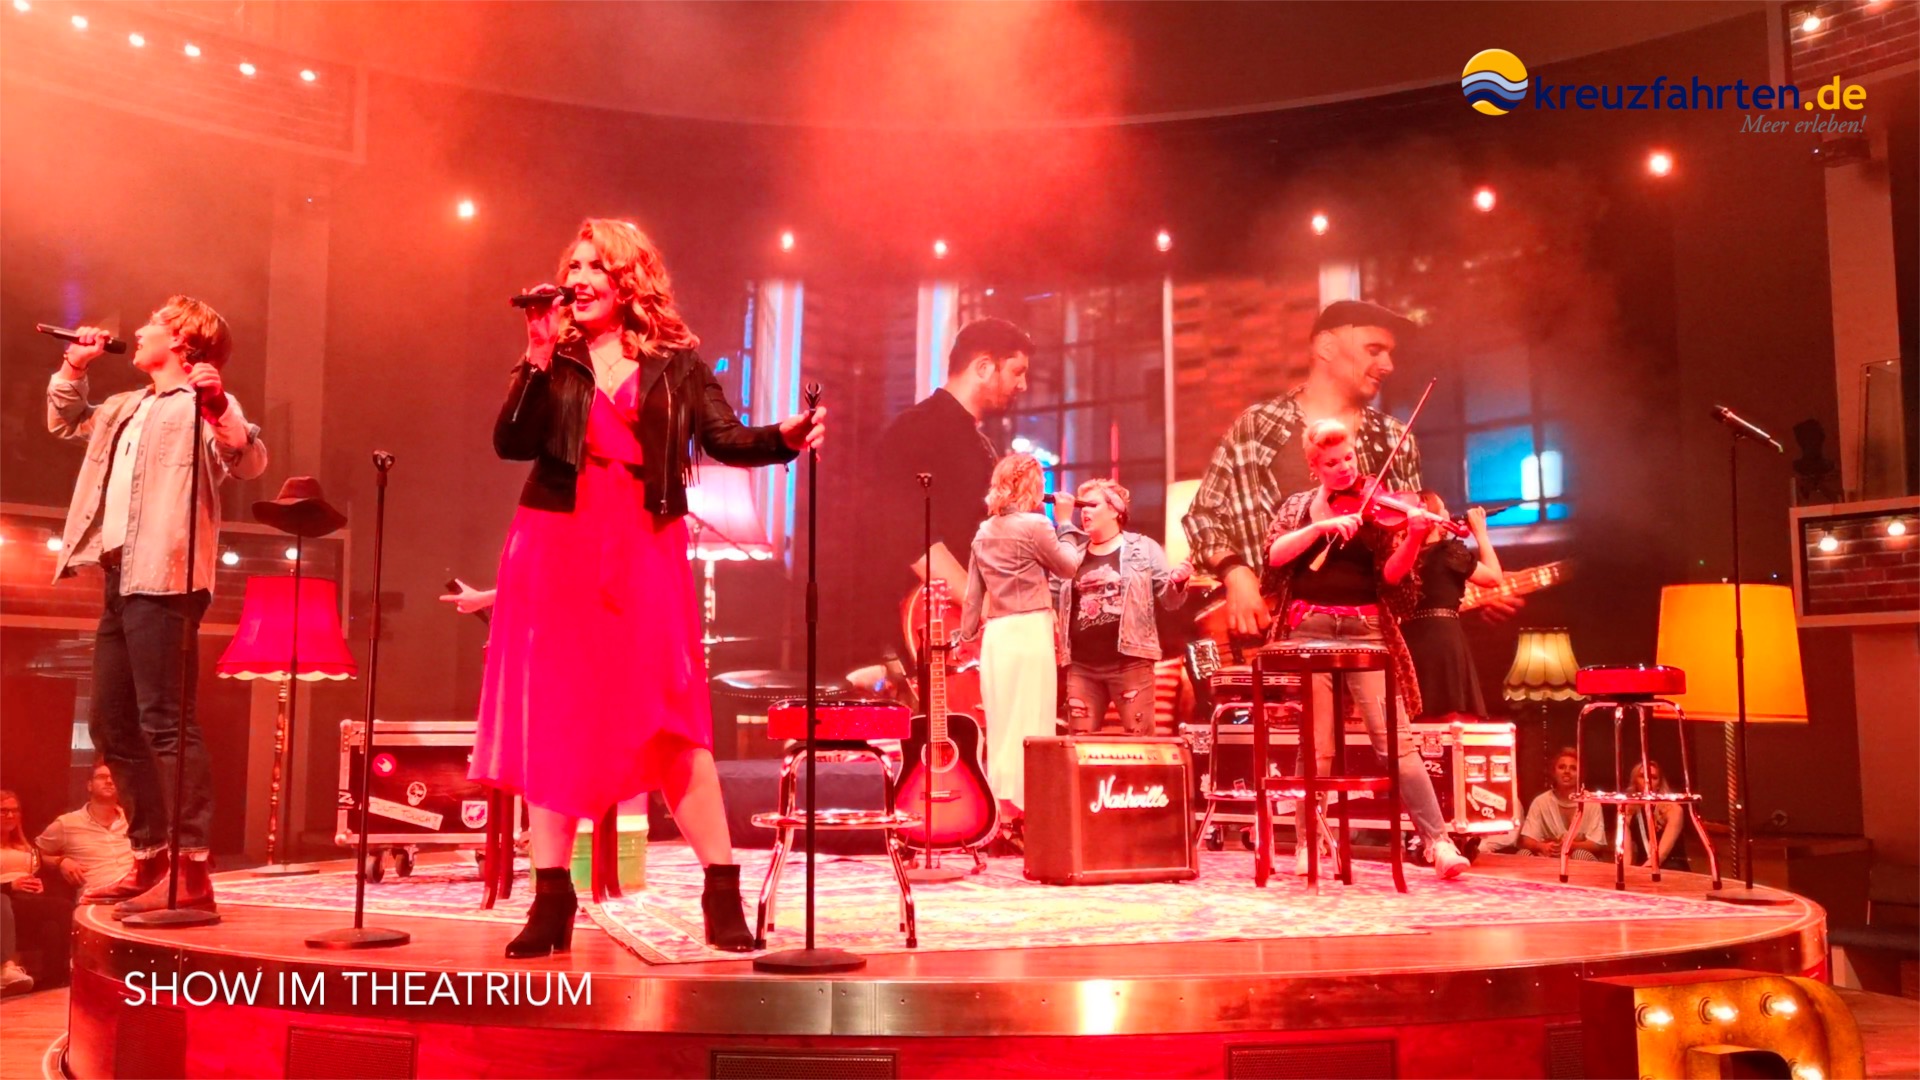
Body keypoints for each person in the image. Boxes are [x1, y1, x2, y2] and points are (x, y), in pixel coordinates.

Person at [473, 218, 823, 958]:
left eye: (594, 265)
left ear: (627, 277)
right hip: (555, 544)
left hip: (644, 543)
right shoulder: (558, 356)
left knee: (673, 716)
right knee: (556, 716)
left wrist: (784, 438)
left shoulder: (676, 360)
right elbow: (510, 442)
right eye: (572, 265)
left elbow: (725, 437)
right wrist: (536, 355)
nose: (578, 277)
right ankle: (551, 899)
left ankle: (721, 891)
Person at [47, 299, 268, 918]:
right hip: (119, 577)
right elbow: (66, 421)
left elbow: (249, 460)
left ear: (181, 340)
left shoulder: (201, 403)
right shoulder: (125, 407)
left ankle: (193, 870)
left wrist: (218, 406)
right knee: (111, 724)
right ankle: (149, 856)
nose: (138, 332)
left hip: (168, 578)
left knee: (166, 722)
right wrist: (75, 367)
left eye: (151, 325)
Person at [1262, 419, 1469, 879]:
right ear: (1314, 467)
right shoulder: (1298, 506)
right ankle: (1309, 843)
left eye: (1348, 458)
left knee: (1395, 741)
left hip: (1367, 631)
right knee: (1317, 745)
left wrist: (1413, 536)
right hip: (1309, 630)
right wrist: (1323, 526)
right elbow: (1274, 555)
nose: (1344, 468)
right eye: (1332, 463)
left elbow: (1393, 578)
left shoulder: (1379, 505)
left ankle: (1439, 844)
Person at [1185, 300, 1426, 643]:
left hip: (1368, 629)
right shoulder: (1259, 426)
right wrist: (1236, 572)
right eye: (1374, 350)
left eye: (1390, 354)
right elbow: (1204, 517)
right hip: (1277, 626)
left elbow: (1413, 551)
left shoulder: (1395, 437)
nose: (1388, 365)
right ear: (1326, 346)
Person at [869, 318, 1033, 656]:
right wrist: (985, 607)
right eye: (1017, 372)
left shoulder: (980, 443)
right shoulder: (915, 429)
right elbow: (910, 537)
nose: (1023, 385)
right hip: (930, 628)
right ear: (983, 367)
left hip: (970, 629)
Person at [957, 454, 1086, 836]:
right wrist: (1066, 522)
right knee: (1031, 719)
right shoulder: (1036, 525)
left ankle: (1001, 812)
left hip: (997, 635)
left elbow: (972, 595)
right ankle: (1028, 812)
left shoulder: (984, 531)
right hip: (1029, 629)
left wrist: (966, 638)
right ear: (1032, 486)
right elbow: (1068, 566)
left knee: (1001, 723)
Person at [1056, 479, 1191, 735]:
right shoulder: (1074, 556)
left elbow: (1169, 601)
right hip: (1082, 665)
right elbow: (1055, 600)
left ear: (1115, 510)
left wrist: (1178, 582)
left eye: (1092, 505)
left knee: (1141, 740)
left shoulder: (1144, 548)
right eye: (1081, 506)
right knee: (1080, 744)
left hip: (1130, 662)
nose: (1084, 512)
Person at [1403, 493, 1503, 718]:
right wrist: (1481, 534)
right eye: (1443, 508)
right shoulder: (1448, 552)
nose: (1448, 513)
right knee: (1452, 714)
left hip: (1410, 638)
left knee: (1419, 714)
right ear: (1435, 518)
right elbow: (1494, 578)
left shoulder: (1403, 555)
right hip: (1443, 638)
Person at [35, 762, 134, 901]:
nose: (109, 781)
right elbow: (35, 854)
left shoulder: (134, 820)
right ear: (89, 785)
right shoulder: (67, 823)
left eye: (114, 777)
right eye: (102, 777)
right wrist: (60, 862)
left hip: (137, 897)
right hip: (96, 899)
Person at [1517, 748, 1608, 861]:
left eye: (1573, 768)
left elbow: (1597, 843)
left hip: (1577, 859)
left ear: (1580, 774)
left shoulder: (1591, 802)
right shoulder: (1540, 802)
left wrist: (1570, 845)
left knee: (1580, 854)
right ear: (1553, 772)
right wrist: (1541, 846)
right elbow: (1527, 839)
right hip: (1548, 857)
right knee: (1523, 854)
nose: (1567, 771)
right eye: (1562, 767)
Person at [0, 791, 40, 993]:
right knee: (2, 901)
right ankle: (4, 968)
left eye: (14, 810)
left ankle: (59, 978)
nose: (10, 815)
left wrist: (38, 885)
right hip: (3, 895)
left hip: (24, 897)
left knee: (61, 908)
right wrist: (10, 886)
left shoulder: (25, 846)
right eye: (3, 811)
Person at [1627, 759, 1689, 872]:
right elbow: (1626, 856)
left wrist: (1640, 873)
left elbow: (1660, 856)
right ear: (1634, 781)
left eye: (1654, 778)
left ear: (1659, 784)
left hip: (1671, 867)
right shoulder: (1628, 811)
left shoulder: (1673, 810)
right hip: (1642, 866)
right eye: (1642, 776)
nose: (1648, 781)